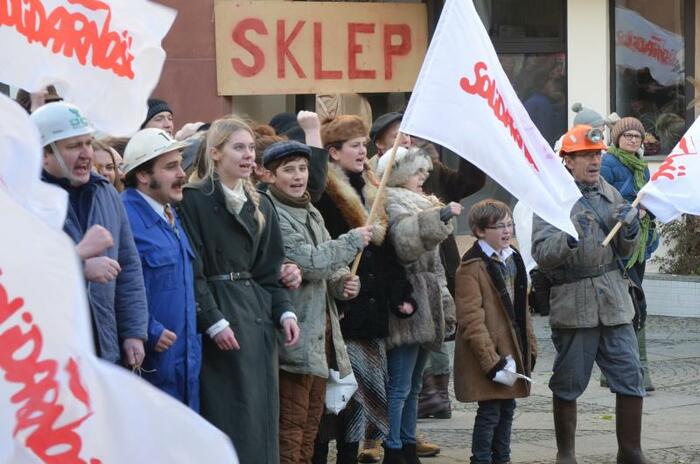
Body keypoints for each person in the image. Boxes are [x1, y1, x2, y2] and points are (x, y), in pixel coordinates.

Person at [178, 117, 300, 464]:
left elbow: (269, 270)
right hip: (220, 315)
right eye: (238, 148)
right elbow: (194, 269)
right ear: (215, 153)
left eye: (250, 148)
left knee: (260, 417)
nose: (249, 155)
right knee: (228, 414)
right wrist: (213, 320)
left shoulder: (260, 203)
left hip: (256, 318)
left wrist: (285, 311)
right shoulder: (194, 199)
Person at [532, 124, 650, 464]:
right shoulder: (553, 198)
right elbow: (542, 253)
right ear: (568, 161)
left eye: (597, 154)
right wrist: (568, 239)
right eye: (585, 155)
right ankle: (566, 454)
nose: (594, 161)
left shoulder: (611, 193)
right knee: (568, 383)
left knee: (631, 377)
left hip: (614, 302)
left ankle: (631, 452)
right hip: (574, 303)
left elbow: (624, 251)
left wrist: (630, 229)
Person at [313, 115, 413, 464]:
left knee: (366, 402)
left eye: (363, 145)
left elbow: (386, 254)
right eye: (354, 145)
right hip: (342, 312)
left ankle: (351, 456)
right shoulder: (324, 194)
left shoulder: (373, 188)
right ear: (333, 152)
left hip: (371, 313)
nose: (362, 151)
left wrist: (400, 293)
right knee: (339, 400)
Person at [263, 140, 371, 464]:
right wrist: (351, 241)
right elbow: (309, 262)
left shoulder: (311, 210)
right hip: (293, 341)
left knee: (311, 429)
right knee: (291, 430)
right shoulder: (272, 213)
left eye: (302, 168)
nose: (298, 176)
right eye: (288, 170)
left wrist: (343, 282)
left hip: (321, 340)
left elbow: (330, 267)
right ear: (270, 176)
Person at [33, 101, 148, 367]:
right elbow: (18, 275)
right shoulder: (22, 199)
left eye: (88, 143)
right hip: (48, 355)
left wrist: (133, 332)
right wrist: (77, 265)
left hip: (103, 349)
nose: (87, 154)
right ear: (44, 154)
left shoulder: (106, 193)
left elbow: (129, 268)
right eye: (74, 146)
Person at [377, 146, 459, 464]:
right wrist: (439, 217)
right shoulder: (391, 201)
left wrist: (445, 301)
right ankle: (393, 446)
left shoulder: (423, 202)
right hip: (406, 300)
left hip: (429, 299)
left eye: (425, 171)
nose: (423, 177)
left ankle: (408, 442)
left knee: (414, 384)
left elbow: (436, 267)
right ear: (399, 174)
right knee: (399, 384)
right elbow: (405, 243)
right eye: (416, 172)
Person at [120, 128, 202, 409]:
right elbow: (114, 286)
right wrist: (148, 328)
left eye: (180, 164)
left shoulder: (169, 212)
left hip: (183, 359)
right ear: (143, 175)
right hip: (150, 361)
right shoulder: (124, 216)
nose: (182, 174)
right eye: (170, 167)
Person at [454, 199, 537, 464]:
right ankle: (480, 460)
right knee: (490, 411)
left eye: (509, 225)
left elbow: (522, 309)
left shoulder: (513, 258)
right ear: (480, 231)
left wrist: (530, 346)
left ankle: (502, 458)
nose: (507, 231)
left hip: (512, 349)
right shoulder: (471, 266)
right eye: (499, 226)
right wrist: (491, 361)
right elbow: (471, 319)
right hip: (488, 353)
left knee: (507, 408)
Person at [601, 117, 659, 392]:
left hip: (640, 243)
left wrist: (649, 210)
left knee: (633, 301)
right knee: (633, 303)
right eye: (628, 136)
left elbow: (647, 197)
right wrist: (631, 209)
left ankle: (617, 368)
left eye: (637, 136)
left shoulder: (641, 166)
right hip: (619, 243)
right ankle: (638, 369)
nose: (633, 140)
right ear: (617, 138)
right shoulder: (608, 163)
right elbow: (606, 199)